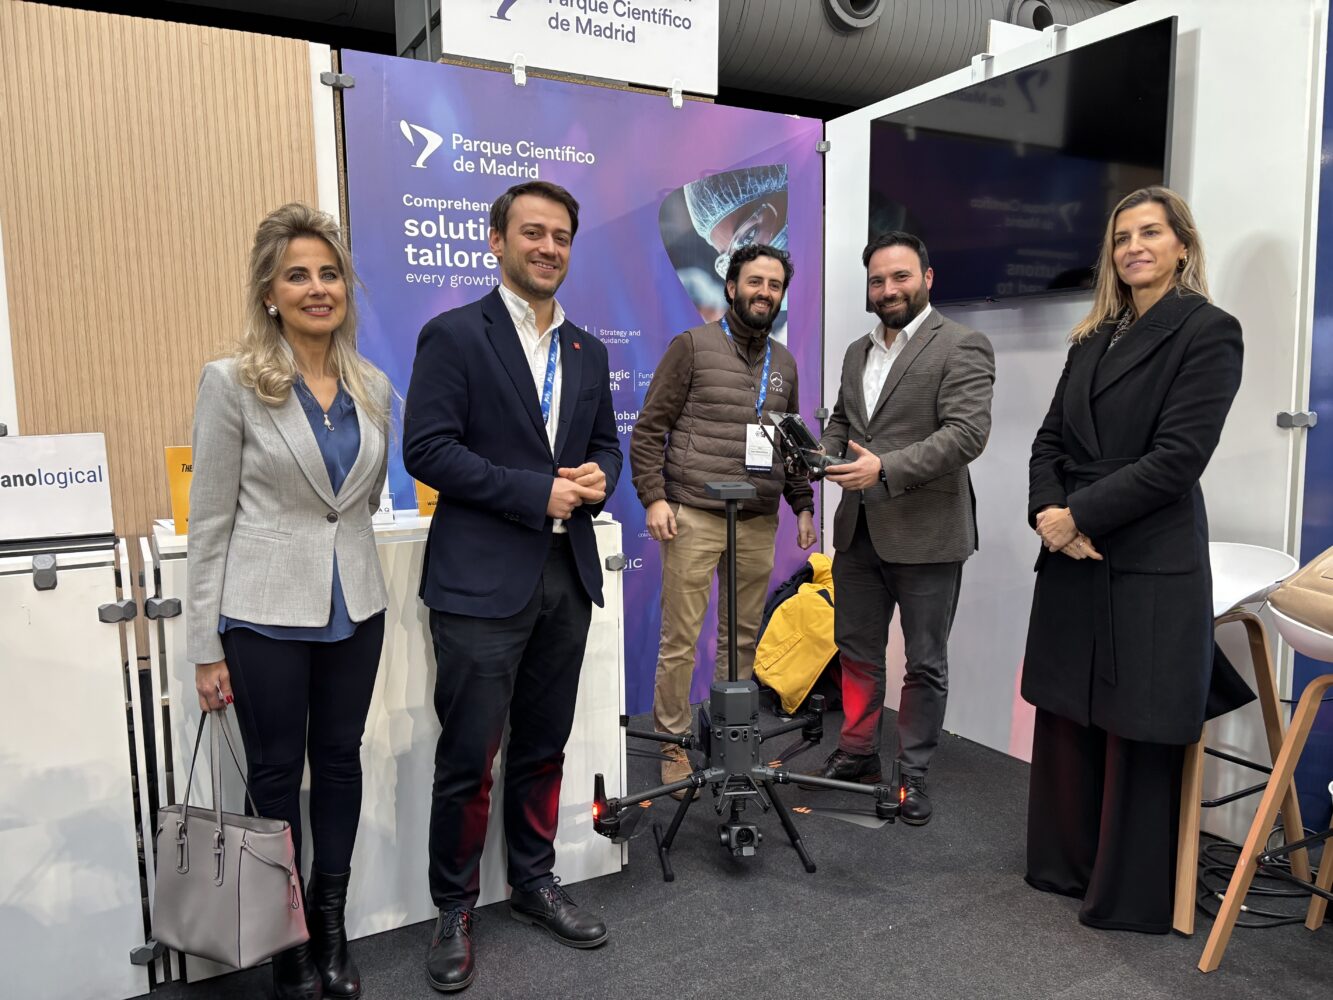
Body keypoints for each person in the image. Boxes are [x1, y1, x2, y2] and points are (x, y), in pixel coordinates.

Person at [403, 181, 622, 993]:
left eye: (560, 235)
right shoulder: (455, 335)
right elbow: (428, 450)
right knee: (469, 757)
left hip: (564, 579)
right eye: (532, 232)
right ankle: (453, 909)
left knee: (542, 748)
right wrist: (536, 493)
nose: (547, 247)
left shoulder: (586, 350)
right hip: (478, 585)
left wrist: (600, 476)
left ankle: (533, 880)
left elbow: (605, 445)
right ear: (496, 241)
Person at [1022, 186, 1245, 932]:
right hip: (1072, 549)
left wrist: (1077, 515)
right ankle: (1064, 865)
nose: (1133, 248)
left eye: (1149, 233)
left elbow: (1177, 459)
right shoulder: (1091, 338)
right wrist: (1048, 517)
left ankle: (1127, 895)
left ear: (1182, 245)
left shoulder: (1209, 331)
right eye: (1121, 238)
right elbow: (1047, 442)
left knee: (1136, 723)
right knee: (1066, 708)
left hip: (1148, 551)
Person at [187, 203, 393, 1000]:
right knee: (276, 774)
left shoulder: (373, 386)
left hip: (356, 605)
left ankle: (332, 930)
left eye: (329, 273)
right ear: (269, 294)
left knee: (339, 761)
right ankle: (286, 942)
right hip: (263, 612)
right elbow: (210, 521)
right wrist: (204, 645)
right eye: (297, 275)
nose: (317, 288)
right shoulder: (231, 382)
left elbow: (360, 504)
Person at [817, 231, 995, 825]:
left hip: (928, 532)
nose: (888, 289)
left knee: (924, 662)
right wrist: (821, 455)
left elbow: (966, 434)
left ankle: (912, 772)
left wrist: (884, 469)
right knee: (856, 652)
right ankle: (857, 751)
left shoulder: (963, 345)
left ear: (927, 278)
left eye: (900, 277)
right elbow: (843, 423)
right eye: (877, 280)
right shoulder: (856, 352)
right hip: (857, 531)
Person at [631, 243, 816, 794]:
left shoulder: (784, 363)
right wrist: (654, 498)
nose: (765, 293)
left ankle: (731, 737)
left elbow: (789, 444)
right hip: (694, 512)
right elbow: (649, 430)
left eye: (774, 285)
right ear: (732, 287)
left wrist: (803, 505)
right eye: (755, 282)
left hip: (757, 518)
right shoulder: (691, 346)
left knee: (741, 641)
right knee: (680, 640)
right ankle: (673, 742)